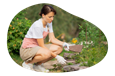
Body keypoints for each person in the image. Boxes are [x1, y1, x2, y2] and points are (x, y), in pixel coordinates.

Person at [19, 5, 69, 73]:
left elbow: (52, 39)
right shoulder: (38, 25)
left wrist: (64, 44)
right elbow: (42, 46)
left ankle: (38, 66)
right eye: (50, 17)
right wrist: (56, 56)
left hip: (37, 47)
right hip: (27, 49)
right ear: (43, 15)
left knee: (59, 48)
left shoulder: (49, 23)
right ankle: (27, 63)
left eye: (53, 16)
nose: (52, 19)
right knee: (47, 53)